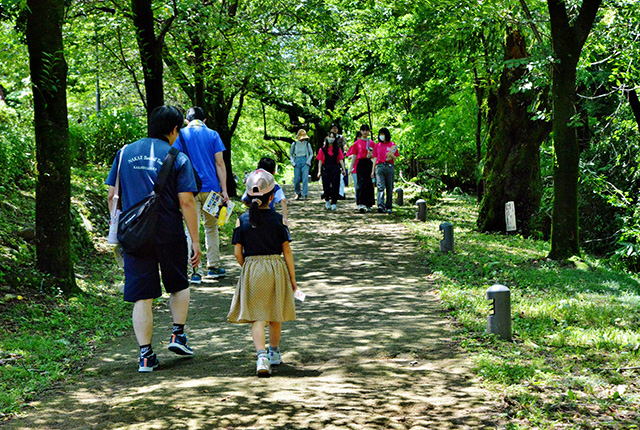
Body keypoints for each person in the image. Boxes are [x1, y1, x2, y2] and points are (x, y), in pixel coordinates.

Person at [106, 105, 202, 373]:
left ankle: (145, 356)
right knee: (178, 283)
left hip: (135, 235)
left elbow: (112, 195)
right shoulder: (178, 157)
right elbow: (187, 202)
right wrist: (195, 240)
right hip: (169, 231)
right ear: (172, 130)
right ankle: (177, 335)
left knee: (142, 297)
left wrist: (123, 225)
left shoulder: (124, 153)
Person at [228, 169, 297, 377]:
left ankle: (261, 356)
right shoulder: (279, 220)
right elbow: (287, 251)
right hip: (276, 268)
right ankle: (274, 352)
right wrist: (292, 278)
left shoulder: (242, 220)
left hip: (253, 268)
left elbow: (236, 252)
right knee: (275, 313)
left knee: (258, 316)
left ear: (248, 197)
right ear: (272, 196)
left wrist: (247, 265)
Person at [173, 107, 228, 283]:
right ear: (204, 120)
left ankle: (195, 271)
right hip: (212, 190)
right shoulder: (213, 134)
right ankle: (213, 266)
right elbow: (219, 163)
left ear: (187, 121)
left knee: (191, 230)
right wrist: (224, 189)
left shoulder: (180, 135)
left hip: (189, 190)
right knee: (211, 228)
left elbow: (175, 161)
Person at [241, 157, 289, 225]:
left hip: (252, 217)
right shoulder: (275, 186)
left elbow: (243, 199)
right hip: (270, 217)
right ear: (273, 172)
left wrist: (253, 205)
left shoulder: (253, 185)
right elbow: (283, 200)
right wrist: (285, 219)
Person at [347, 125, 375, 212]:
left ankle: (368, 204)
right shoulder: (357, 143)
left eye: (367, 130)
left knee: (369, 184)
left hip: (368, 163)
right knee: (360, 183)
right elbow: (354, 156)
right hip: (360, 164)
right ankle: (360, 203)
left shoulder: (372, 143)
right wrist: (351, 167)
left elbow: (375, 156)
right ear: (361, 131)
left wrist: (373, 167)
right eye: (363, 130)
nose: (365, 132)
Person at [316, 131, 347, 210]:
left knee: (335, 186)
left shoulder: (337, 149)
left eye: (333, 137)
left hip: (335, 169)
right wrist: (319, 171)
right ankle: (327, 201)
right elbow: (320, 160)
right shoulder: (322, 149)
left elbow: (340, 159)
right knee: (326, 186)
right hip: (326, 169)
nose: (331, 139)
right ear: (327, 138)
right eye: (330, 137)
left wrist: (343, 169)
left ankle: (334, 202)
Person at [371, 127, 399, 213]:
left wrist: (391, 156)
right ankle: (380, 205)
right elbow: (375, 158)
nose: (381, 136)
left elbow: (396, 158)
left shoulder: (392, 145)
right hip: (380, 167)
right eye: (380, 134)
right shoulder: (377, 145)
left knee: (389, 187)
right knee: (380, 186)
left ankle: (389, 206)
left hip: (389, 166)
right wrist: (373, 171)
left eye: (383, 134)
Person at [289, 129, 314, 200]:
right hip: (297, 160)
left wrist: (308, 161)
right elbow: (291, 154)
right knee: (296, 179)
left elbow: (311, 153)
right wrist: (293, 162)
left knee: (305, 179)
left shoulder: (307, 144)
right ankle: (297, 193)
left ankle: (305, 194)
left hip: (305, 160)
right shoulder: (294, 144)